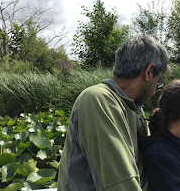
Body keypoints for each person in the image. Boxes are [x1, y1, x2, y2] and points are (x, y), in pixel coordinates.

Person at [57, 35, 169, 191]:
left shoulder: (135, 108)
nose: (156, 88)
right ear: (149, 72)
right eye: (159, 80)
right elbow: (120, 184)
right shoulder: (98, 99)